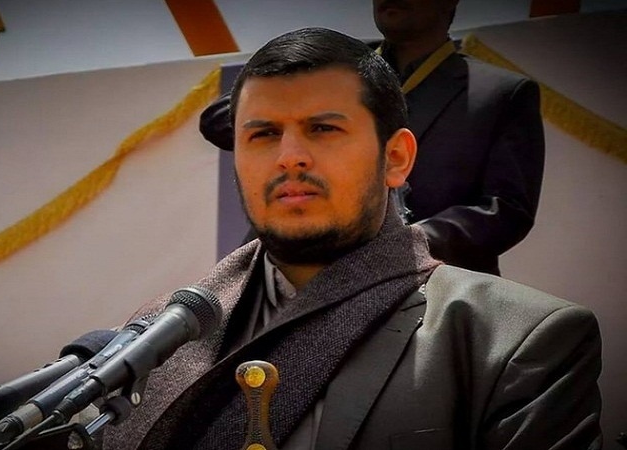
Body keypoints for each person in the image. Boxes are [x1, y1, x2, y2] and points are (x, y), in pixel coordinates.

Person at [99, 28, 600, 450]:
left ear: (396, 158)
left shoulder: (513, 343)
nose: (289, 157)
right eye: (263, 134)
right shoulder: (157, 336)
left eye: (322, 128)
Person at [199, 0, 545, 275]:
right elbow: (215, 122)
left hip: (431, 284)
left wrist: (398, 244)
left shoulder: (501, 93)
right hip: (289, 274)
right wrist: (327, 86)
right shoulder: (338, 70)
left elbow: (505, 209)